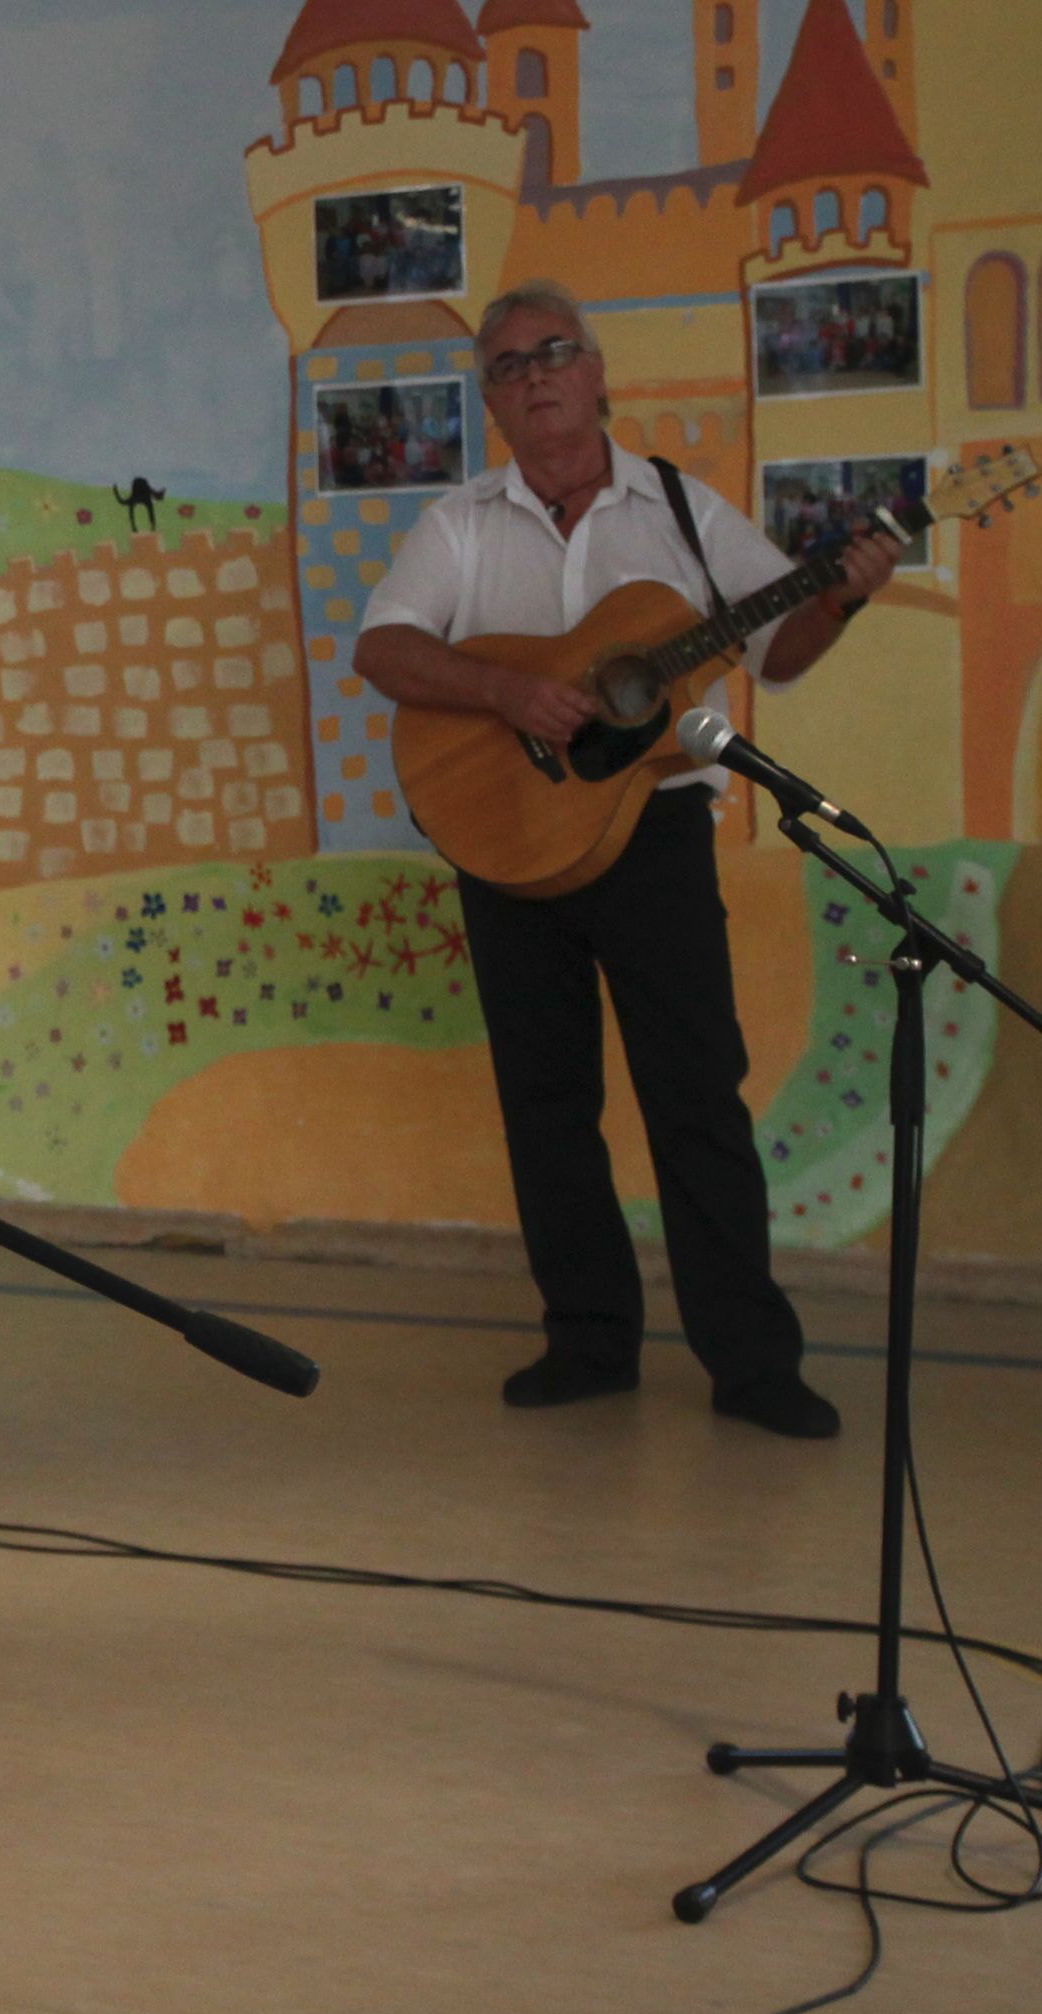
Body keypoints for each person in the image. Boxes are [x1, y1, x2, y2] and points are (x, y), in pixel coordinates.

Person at [355, 280, 901, 1440]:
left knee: (696, 1095)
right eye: (509, 365)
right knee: (547, 1099)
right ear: (493, 401)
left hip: (653, 837)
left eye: (554, 351)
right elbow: (385, 649)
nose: (536, 375)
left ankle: (751, 1363)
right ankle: (590, 1340)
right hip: (506, 836)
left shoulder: (683, 513)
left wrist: (842, 602)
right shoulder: (459, 523)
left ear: (598, 373)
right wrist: (508, 690)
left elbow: (778, 648)